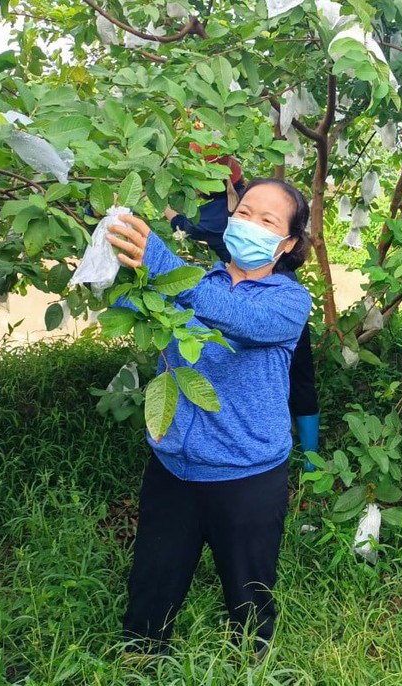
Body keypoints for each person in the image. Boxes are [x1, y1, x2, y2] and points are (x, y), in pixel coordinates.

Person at [106, 179, 313, 657]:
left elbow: (238, 318)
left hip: (248, 475)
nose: (250, 224)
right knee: (152, 583)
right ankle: (141, 657)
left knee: (250, 591)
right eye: (245, 213)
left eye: (268, 221)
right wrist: (111, 264)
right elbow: (127, 307)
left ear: (286, 244)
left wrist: (163, 267)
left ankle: (251, 658)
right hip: (173, 467)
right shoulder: (194, 281)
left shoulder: (287, 301)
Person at [164, 147, 321, 467]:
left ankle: (306, 459)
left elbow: (185, 226)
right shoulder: (235, 204)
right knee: (293, 376)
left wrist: (163, 208)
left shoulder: (216, 213)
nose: (250, 222)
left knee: (272, 374)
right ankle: (309, 458)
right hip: (233, 292)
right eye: (247, 215)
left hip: (264, 302)